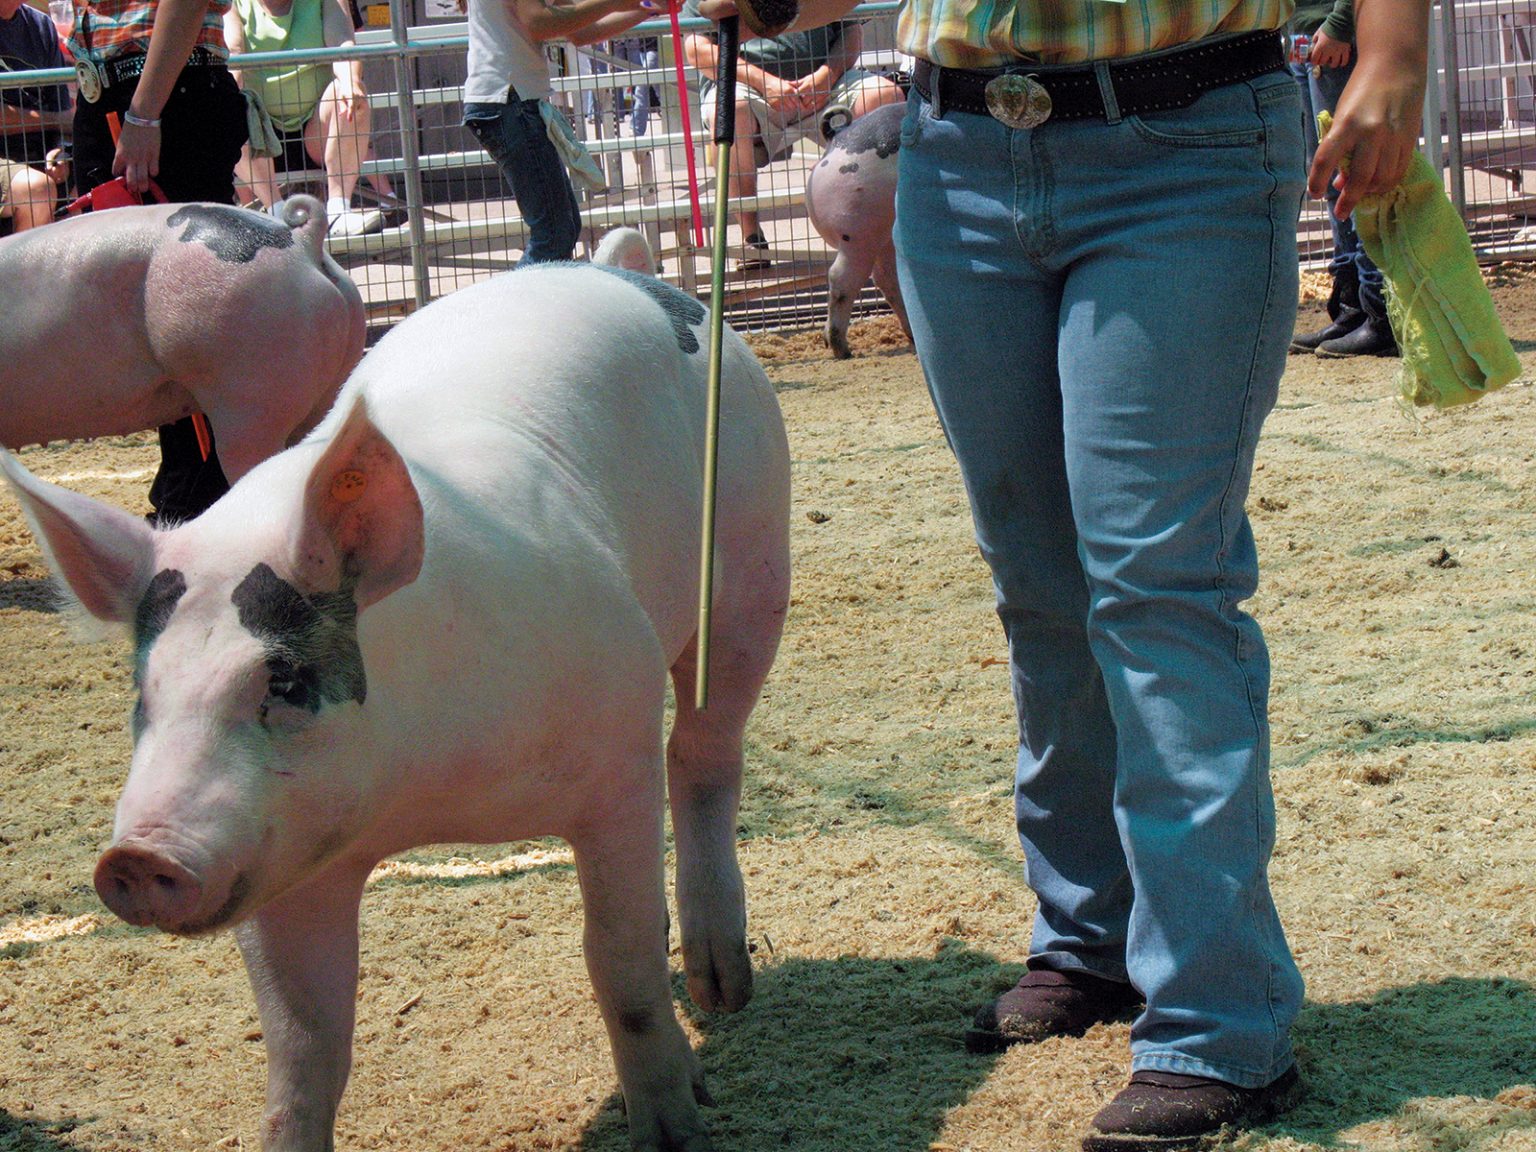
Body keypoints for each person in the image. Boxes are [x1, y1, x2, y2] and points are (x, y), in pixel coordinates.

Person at [696, 0, 1425, 1147]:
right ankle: (1089, 937)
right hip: (955, 153)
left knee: (1157, 588)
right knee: (1040, 585)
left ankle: (1218, 1021)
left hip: (1183, 139)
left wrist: (1394, 53)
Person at [67, 0, 249, 524]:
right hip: (120, 90)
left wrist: (144, 113)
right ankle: (191, 491)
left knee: (183, 316)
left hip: (158, 94)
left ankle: (199, 500)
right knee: (152, 317)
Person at [680, 6, 901, 268]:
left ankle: (880, 230)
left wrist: (826, 76)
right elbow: (697, 49)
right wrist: (764, 82)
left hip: (823, 82)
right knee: (730, 110)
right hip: (748, 87)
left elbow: (850, 31)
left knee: (885, 95)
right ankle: (751, 238)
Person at [459, 0, 658, 266]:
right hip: (509, 101)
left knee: (562, 228)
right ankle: (517, 306)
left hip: (510, 102)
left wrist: (648, 9)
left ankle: (523, 304)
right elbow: (539, 23)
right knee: (554, 234)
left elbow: (581, 31)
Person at [1288, 0, 1399, 357]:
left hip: (1333, 32)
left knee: (1351, 174)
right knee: (1332, 173)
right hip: (1307, 34)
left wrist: (1341, 21)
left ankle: (1380, 313)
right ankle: (1355, 308)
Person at [224, 0, 388, 235]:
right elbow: (234, 50)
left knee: (353, 97)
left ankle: (338, 212)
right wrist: (232, 86)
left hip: (317, 132)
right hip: (261, 138)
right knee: (230, 103)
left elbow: (342, 44)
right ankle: (278, 214)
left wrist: (350, 81)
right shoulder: (234, 4)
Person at [0, 0, 72, 232]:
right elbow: (59, 118)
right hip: (13, 168)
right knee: (36, 190)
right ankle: (19, 270)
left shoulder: (40, 24)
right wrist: (53, 120)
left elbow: (63, 113)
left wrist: (61, 150)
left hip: (36, 156)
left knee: (96, 175)